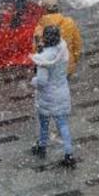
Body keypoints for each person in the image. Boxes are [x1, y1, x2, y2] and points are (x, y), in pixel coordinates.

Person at [30, 25, 76, 167]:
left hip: (48, 95)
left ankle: (42, 145)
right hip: (62, 91)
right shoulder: (62, 50)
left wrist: (33, 81)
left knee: (44, 122)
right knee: (62, 124)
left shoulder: (43, 59)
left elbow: (42, 81)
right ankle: (69, 153)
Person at [34, 0, 82, 77]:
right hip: (66, 64)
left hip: (49, 69)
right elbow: (77, 44)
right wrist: (74, 59)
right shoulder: (69, 22)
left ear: (44, 9)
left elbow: (36, 50)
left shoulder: (39, 29)